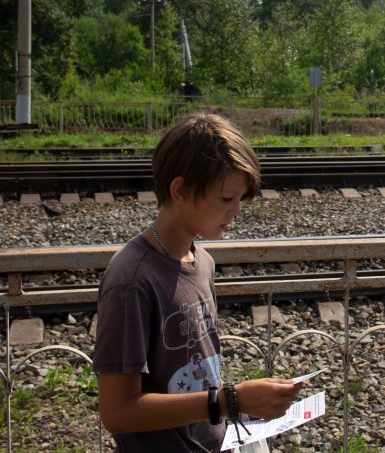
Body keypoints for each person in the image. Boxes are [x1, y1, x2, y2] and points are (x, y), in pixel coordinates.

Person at [93, 112, 303, 452]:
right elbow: (118, 412)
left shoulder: (201, 261)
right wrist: (227, 401)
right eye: (226, 198)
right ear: (181, 190)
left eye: (241, 199)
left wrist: (233, 405)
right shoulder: (131, 280)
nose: (236, 211)